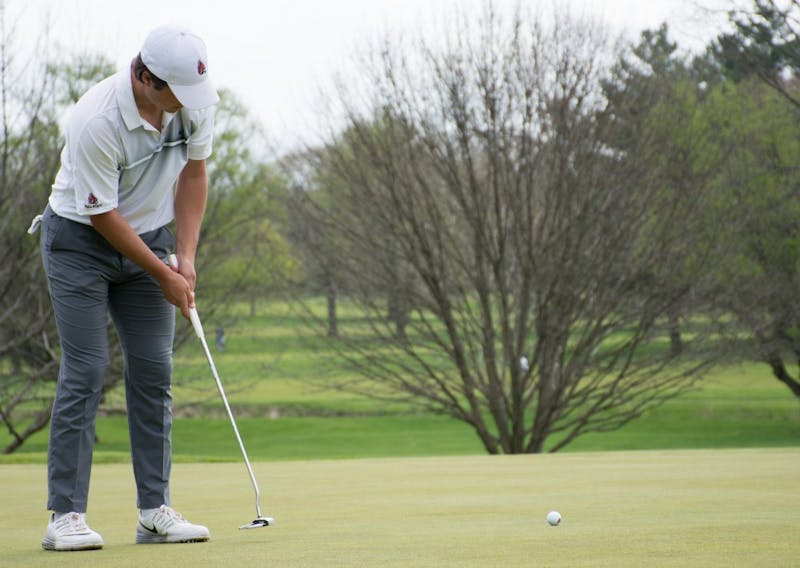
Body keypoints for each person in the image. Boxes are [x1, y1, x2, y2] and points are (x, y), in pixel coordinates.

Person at [34, 25, 218, 551]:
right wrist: (164, 273)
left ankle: (154, 511)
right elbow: (103, 216)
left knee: (155, 369)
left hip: (151, 239)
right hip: (79, 241)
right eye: (178, 94)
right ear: (145, 78)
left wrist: (185, 255)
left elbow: (194, 174)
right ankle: (64, 516)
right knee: (87, 368)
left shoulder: (195, 103)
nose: (189, 104)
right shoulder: (95, 119)